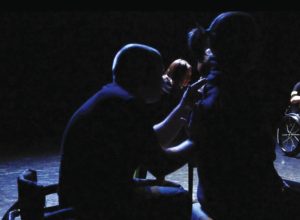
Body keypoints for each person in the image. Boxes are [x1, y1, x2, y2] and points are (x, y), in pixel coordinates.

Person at [58, 43, 206, 220]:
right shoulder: (126, 105)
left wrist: (184, 107)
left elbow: (151, 140)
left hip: (85, 195)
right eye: (159, 73)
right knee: (179, 198)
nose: (164, 79)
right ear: (143, 75)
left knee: (173, 191)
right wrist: (197, 139)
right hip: (93, 206)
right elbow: (161, 165)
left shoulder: (114, 97)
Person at [188, 12, 300, 219]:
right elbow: (255, 168)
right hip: (237, 202)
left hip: (218, 195)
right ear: (246, 49)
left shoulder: (216, 88)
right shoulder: (237, 97)